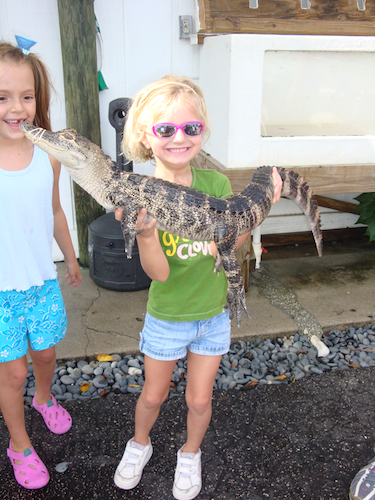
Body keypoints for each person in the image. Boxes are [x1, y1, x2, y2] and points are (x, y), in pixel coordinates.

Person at [113, 75, 282, 499]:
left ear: (202, 132)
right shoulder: (143, 194)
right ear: (144, 137)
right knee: (152, 396)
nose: (179, 138)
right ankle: (140, 443)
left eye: (190, 128)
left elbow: (232, 241)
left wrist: (258, 212)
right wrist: (147, 235)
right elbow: (161, 275)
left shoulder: (217, 186)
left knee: (200, 401)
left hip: (211, 318)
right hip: (167, 318)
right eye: (165, 129)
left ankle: (190, 453)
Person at [0, 40, 82, 490]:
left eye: (26, 97)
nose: (16, 109)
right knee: (12, 372)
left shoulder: (48, 156)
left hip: (41, 283)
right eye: (2, 97)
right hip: (0, 293)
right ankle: (19, 445)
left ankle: (44, 398)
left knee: (46, 355)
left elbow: (53, 212)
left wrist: (70, 258)